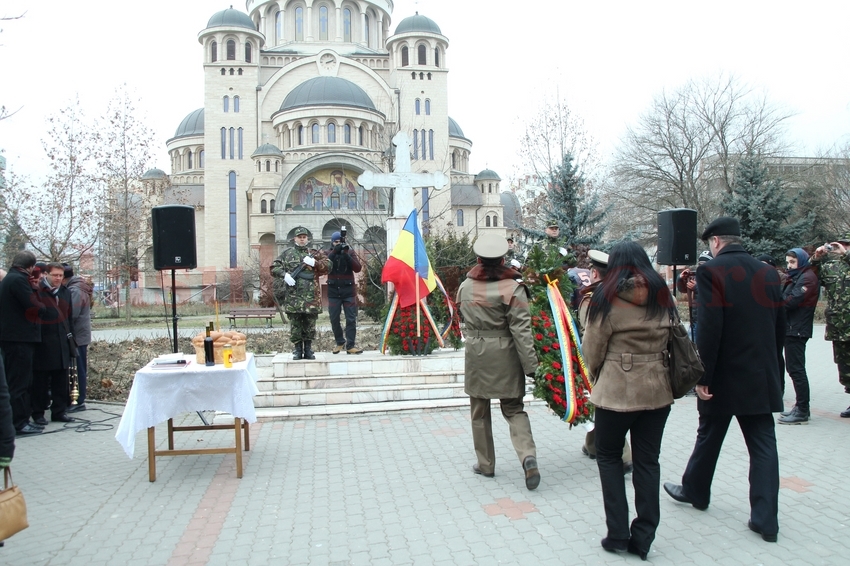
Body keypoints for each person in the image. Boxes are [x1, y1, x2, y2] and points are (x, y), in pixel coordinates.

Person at [664, 217, 785, 544]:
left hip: (724, 377)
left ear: (715, 241)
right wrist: (775, 369)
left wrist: (703, 376)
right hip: (760, 376)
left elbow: (710, 327)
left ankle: (696, 491)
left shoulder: (712, 272)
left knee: (709, 434)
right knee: (763, 444)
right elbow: (779, 327)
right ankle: (766, 520)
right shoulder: (768, 273)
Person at [581, 242, 676, 559]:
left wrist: (600, 375)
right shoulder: (662, 296)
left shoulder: (606, 298)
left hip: (616, 393)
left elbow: (592, 349)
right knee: (648, 462)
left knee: (609, 458)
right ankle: (644, 536)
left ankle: (618, 534)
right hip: (657, 391)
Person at [456, 233, 540, 490]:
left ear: (478, 259)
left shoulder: (465, 287)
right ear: (503, 259)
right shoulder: (513, 288)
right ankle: (528, 457)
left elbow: (461, 315)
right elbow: (522, 331)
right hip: (506, 353)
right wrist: (532, 367)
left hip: (477, 353)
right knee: (514, 409)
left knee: (479, 412)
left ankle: (485, 464)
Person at [576, 249, 633, 474]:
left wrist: (590, 366)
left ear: (594, 273)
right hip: (628, 360)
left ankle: (625, 457)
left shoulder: (593, 299)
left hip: (603, 361)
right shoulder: (623, 295)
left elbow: (589, 335)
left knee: (606, 408)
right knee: (599, 405)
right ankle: (591, 445)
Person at [0, 251, 48, 436]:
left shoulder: (9, 279)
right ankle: (18, 423)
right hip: (19, 339)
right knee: (19, 382)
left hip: (13, 338)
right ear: (30, 267)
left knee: (18, 381)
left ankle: (21, 420)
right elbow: (34, 306)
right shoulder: (18, 280)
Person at [271, 227, 330, 360]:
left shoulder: (314, 253)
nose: (302, 239)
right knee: (296, 325)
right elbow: (274, 267)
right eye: (299, 237)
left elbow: (329, 266)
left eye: (304, 237)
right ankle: (297, 350)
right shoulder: (287, 254)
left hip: (311, 297)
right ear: (295, 239)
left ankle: (308, 350)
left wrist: (315, 263)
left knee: (310, 325)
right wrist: (284, 275)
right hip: (294, 297)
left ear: (307, 239)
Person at [31, 263, 76, 424]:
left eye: (60, 275)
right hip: (43, 342)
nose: (58, 278)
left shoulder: (65, 292)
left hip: (62, 341)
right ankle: (38, 413)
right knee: (40, 381)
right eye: (55, 275)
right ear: (47, 275)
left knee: (61, 380)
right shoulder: (38, 291)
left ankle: (59, 411)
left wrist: (72, 339)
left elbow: (69, 317)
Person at [810, 233, 850, 417]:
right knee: (845, 368)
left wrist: (846, 255)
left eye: (847, 245)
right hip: (839, 326)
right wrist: (816, 258)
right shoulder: (831, 267)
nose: (843, 247)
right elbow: (808, 276)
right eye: (840, 244)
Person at [777, 248, 818, 425]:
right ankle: (800, 407)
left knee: (796, 370)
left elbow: (790, 301)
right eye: (787, 262)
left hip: (797, 329)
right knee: (794, 369)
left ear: (801, 261)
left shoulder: (807, 278)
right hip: (792, 328)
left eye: (792, 262)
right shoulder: (797, 276)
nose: (789, 266)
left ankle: (802, 409)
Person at [327, 230, 363, 355]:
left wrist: (346, 255)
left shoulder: (350, 252)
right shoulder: (328, 253)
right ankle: (340, 341)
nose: (338, 244)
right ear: (332, 242)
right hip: (333, 292)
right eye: (336, 242)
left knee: (351, 319)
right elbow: (325, 266)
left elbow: (358, 268)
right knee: (334, 318)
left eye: (340, 242)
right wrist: (334, 252)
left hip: (348, 292)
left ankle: (350, 345)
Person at [64, 264, 92, 411]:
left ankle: (78, 400)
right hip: (80, 335)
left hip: (78, 336)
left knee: (78, 369)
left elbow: (72, 314)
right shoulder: (78, 287)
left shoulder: (75, 290)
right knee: (77, 368)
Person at [677, 250, 713, 342]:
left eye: (705, 264)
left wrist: (697, 288)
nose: (702, 266)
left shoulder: (715, 278)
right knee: (691, 346)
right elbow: (682, 290)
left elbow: (713, 296)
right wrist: (681, 278)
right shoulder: (696, 276)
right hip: (695, 319)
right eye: (700, 264)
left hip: (707, 321)